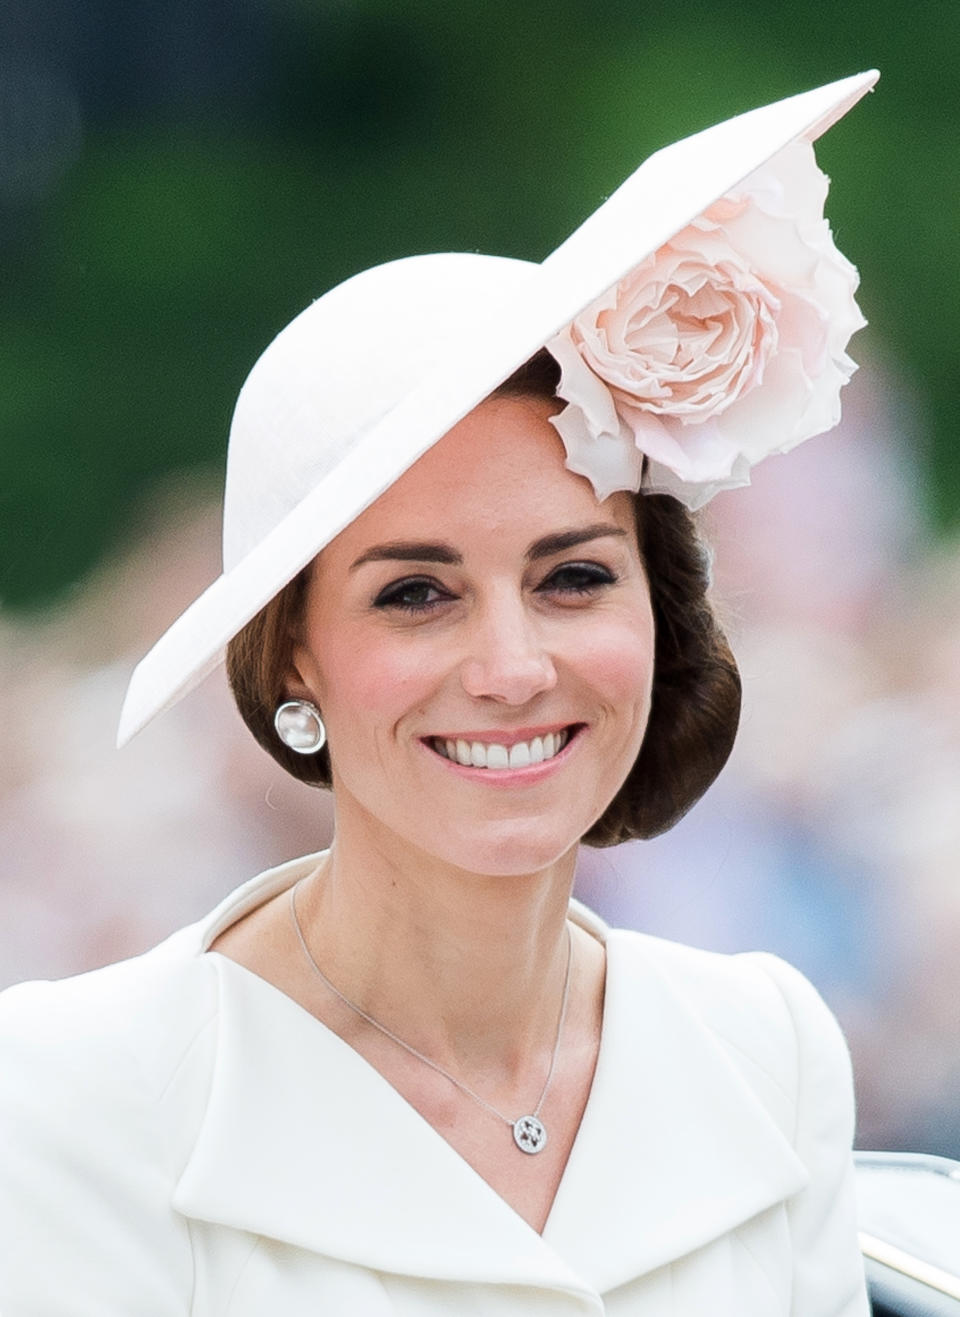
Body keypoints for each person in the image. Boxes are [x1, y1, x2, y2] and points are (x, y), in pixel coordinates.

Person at [0, 71, 878, 1314]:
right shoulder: (69, 1093)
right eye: (416, 594)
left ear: (660, 610)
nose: (514, 668)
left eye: (573, 577)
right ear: (290, 652)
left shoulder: (767, 1047)